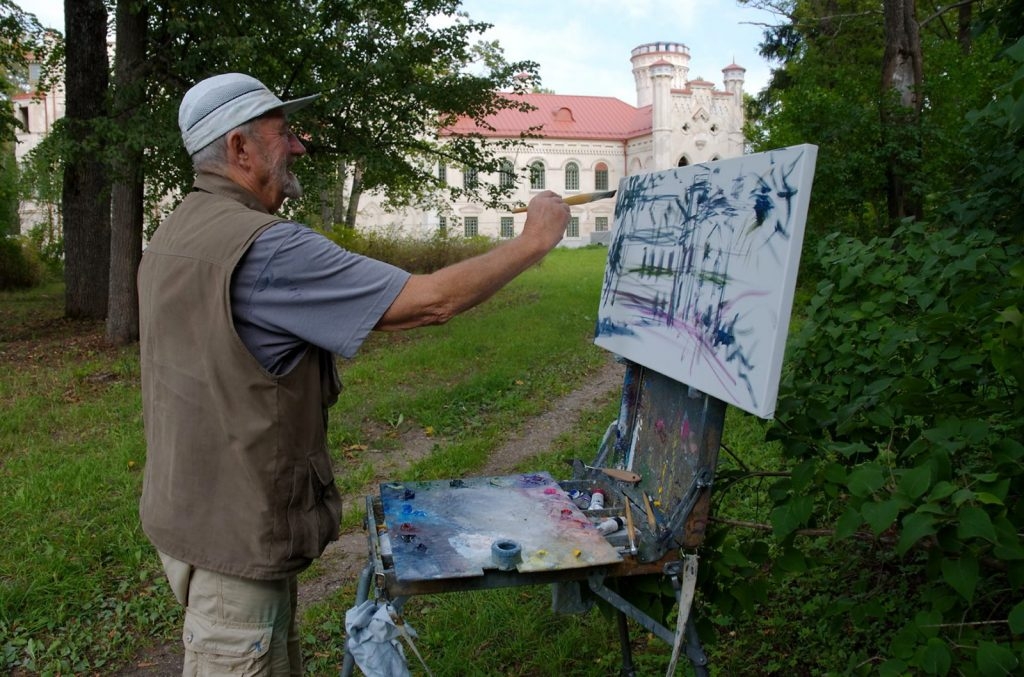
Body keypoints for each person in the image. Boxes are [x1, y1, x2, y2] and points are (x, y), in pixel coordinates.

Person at [137, 72, 570, 676]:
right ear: (239, 149)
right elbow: (428, 302)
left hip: (192, 515)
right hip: (234, 540)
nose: (298, 147)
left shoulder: (176, 231)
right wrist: (532, 242)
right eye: (281, 134)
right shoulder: (265, 248)